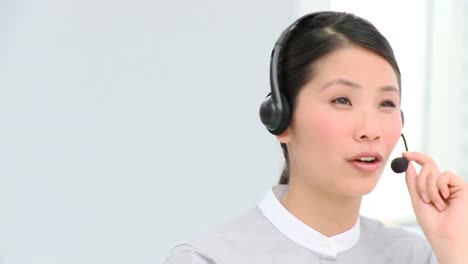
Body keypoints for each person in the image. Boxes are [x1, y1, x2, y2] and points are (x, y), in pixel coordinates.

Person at [164, 11, 468, 263]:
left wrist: (453, 247)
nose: (371, 130)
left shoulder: (420, 255)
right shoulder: (208, 259)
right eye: (342, 100)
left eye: (386, 104)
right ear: (281, 118)